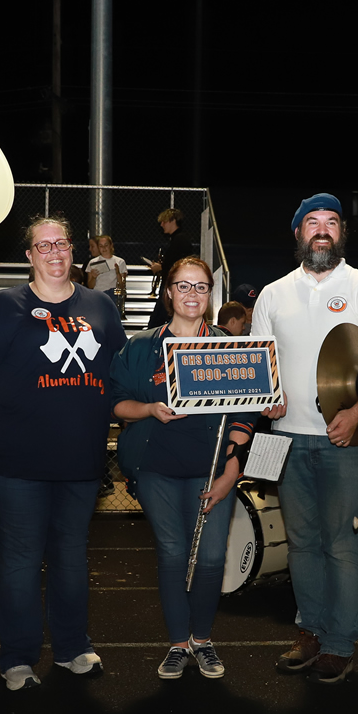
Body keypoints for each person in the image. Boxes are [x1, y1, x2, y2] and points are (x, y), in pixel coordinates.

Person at [0, 215, 125, 691]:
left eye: (62, 243)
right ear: (30, 255)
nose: (55, 252)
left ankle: (73, 647)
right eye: (44, 245)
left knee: (71, 559)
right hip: (18, 463)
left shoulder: (100, 305)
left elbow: (122, 373)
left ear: (73, 250)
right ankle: (17, 658)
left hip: (81, 461)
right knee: (21, 561)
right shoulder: (5, 306)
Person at [250, 192, 358, 684]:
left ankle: (339, 643)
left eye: (331, 222)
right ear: (298, 233)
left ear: (341, 232)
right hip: (286, 440)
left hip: (345, 441)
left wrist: (357, 413)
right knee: (302, 545)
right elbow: (260, 362)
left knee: (343, 546)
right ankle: (310, 631)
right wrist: (266, 396)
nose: (321, 230)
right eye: (312, 222)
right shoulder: (273, 294)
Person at [111, 258, 255, 679]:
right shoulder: (140, 346)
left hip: (212, 470)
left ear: (210, 294)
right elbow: (117, 403)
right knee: (174, 553)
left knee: (210, 558)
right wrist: (149, 409)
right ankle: (178, 643)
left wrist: (231, 470)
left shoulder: (230, 346)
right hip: (154, 468)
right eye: (184, 286)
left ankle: (202, 640)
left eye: (201, 286)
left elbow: (247, 412)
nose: (193, 294)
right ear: (169, 292)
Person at [147, 209, 194, 329]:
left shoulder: (179, 240)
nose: (161, 224)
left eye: (164, 221)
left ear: (173, 221)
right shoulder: (179, 239)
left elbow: (177, 264)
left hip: (172, 285)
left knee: (156, 321)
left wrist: (161, 267)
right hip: (173, 285)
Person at [87, 234, 127, 313]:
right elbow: (90, 286)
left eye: (106, 245)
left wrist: (118, 273)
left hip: (113, 294)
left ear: (111, 246)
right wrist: (94, 277)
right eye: (101, 246)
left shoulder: (120, 261)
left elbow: (122, 285)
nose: (104, 248)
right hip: (98, 293)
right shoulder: (93, 262)